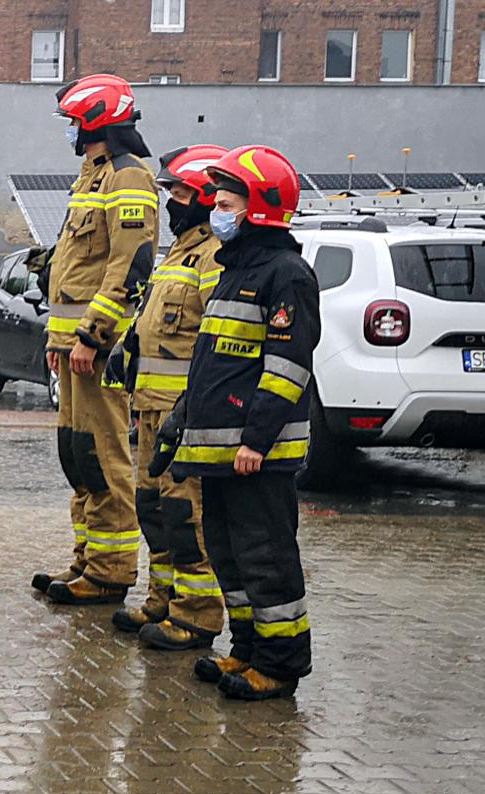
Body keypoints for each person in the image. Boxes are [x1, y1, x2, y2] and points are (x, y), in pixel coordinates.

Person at [155, 145, 317, 700]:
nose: (215, 213)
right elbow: (212, 365)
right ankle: (246, 649)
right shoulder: (234, 271)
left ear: (260, 209)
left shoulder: (286, 275)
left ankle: (279, 664)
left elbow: (287, 367)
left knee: (267, 560)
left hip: (256, 457)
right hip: (221, 453)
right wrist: (181, 422)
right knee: (230, 556)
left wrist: (257, 441)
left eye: (225, 204)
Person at [38, 73, 158, 606]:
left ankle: (111, 570)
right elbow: (73, 269)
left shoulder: (128, 178)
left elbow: (128, 266)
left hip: (98, 349)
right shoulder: (91, 178)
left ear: (94, 121)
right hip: (73, 348)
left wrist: (92, 335)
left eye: (72, 121)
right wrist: (58, 338)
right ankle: (87, 556)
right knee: (78, 453)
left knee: (104, 454)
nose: (68, 130)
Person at [114, 144, 230, 649]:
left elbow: (215, 335)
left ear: (204, 196)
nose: (171, 202)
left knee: (185, 515)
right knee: (152, 507)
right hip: (150, 405)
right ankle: (162, 599)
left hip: (183, 410)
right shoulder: (178, 251)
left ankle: (196, 614)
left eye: (180, 193)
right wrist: (126, 348)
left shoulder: (212, 255)